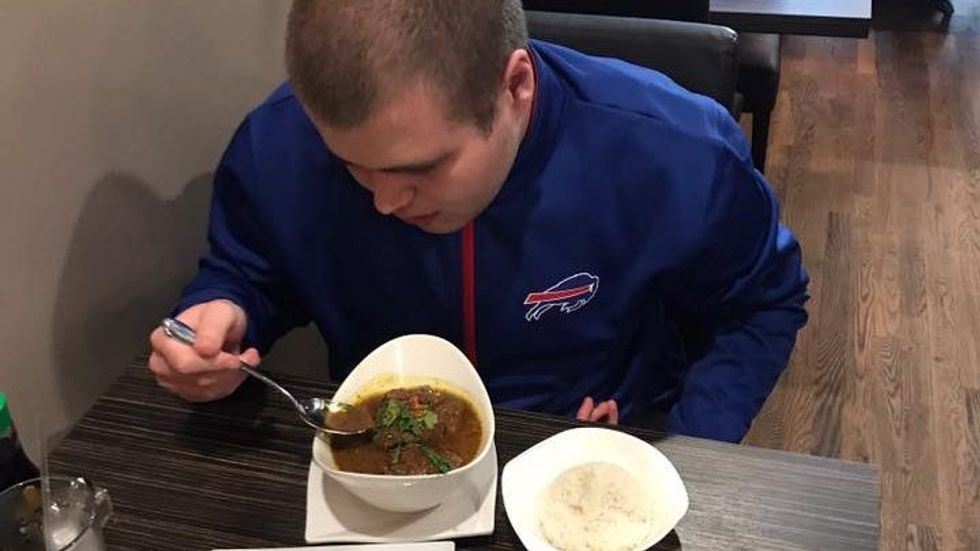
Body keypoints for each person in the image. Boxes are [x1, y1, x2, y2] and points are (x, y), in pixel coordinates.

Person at [148, 0, 809, 443]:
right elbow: (251, 267)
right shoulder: (279, 144)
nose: (384, 202)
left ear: (516, 86)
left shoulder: (674, 150)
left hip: (592, 439)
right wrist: (223, 311)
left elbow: (761, 302)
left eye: (421, 168)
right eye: (353, 167)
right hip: (384, 447)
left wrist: (684, 452)